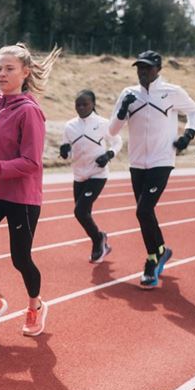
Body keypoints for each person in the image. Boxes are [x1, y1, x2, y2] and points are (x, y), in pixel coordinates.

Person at [0, 44, 59, 338]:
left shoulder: (29, 112)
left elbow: (31, 163)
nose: (2, 74)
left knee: (20, 258)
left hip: (22, 198)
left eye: (9, 69)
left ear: (25, 73)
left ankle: (35, 305)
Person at [108, 50, 195, 289]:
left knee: (143, 210)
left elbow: (194, 110)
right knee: (144, 212)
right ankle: (161, 251)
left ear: (158, 70)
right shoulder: (128, 94)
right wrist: (122, 111)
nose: (142, 72)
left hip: (162, 160)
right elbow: (112, 130)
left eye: (147, 68)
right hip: (137, 162)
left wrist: (188, 135)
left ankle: (153, 259)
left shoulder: (172, 92)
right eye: (139, 68)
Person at [58, 89, 122, 263]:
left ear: (93, 104)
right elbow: (67, 149)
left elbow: (117, 141)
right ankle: (100, 239)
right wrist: (64, 151)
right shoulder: (70, 126)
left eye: (85, 104)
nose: (81, 107)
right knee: (83, 213)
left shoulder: (102, 123)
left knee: (79, 211)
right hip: (79, 174)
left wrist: (108, 155)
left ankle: (97, 239)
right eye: (78, 104)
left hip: (97, 173)